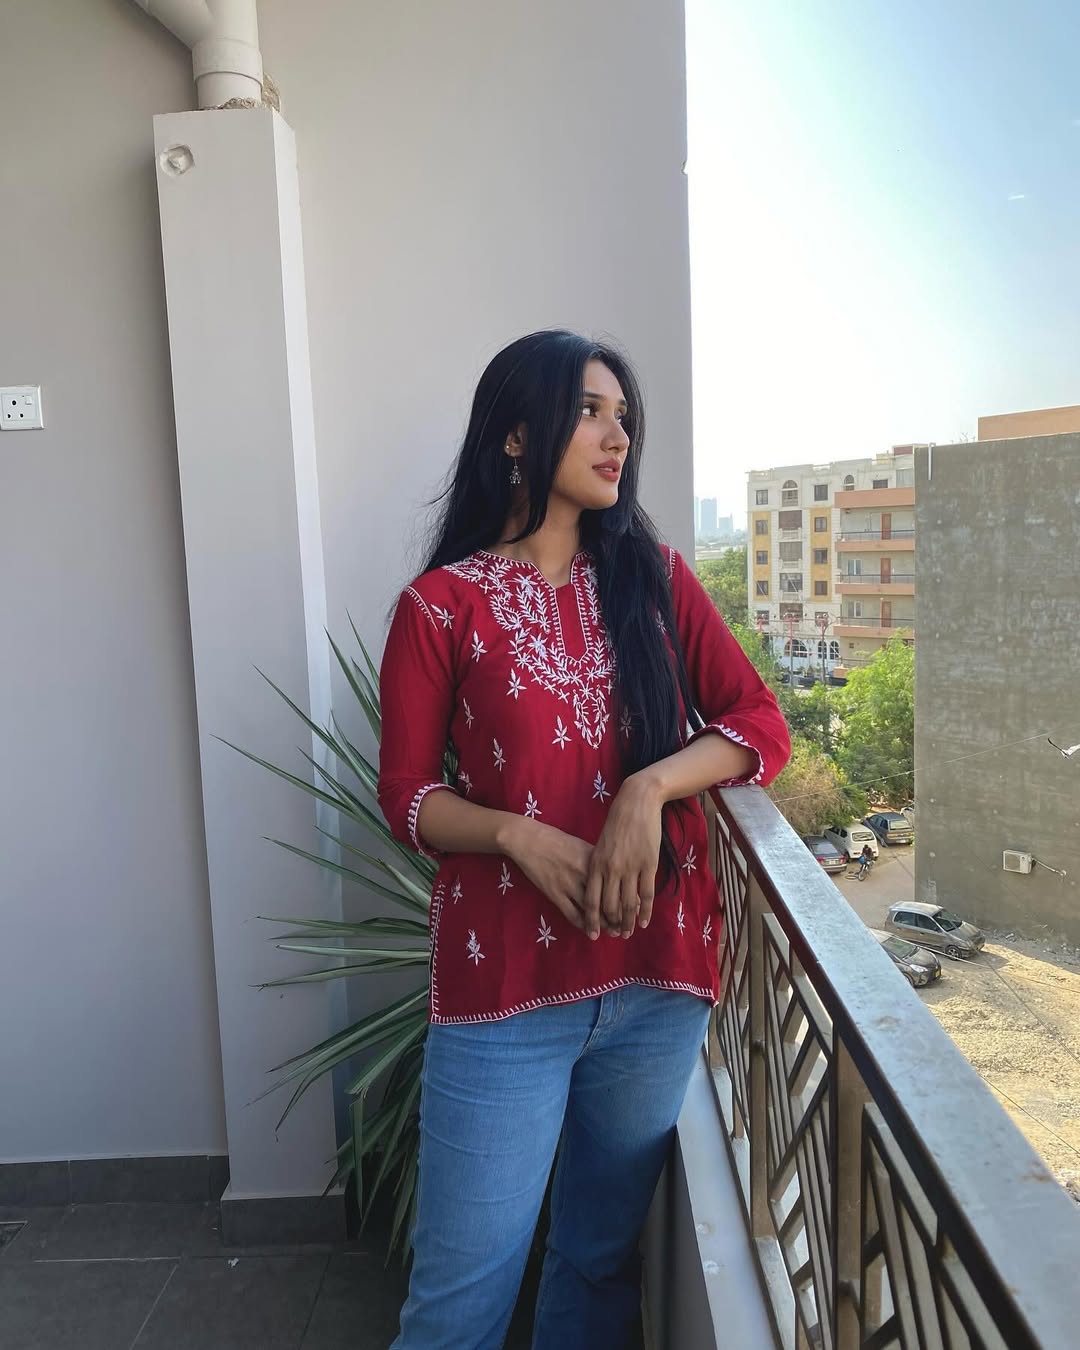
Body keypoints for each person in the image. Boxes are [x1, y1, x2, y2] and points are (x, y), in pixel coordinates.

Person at [377, 330, 791, 1350]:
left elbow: (758, 725)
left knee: (598, 1267)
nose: (618, 437)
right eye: (590, 412)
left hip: (656, 980)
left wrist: (650, 787)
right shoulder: (441, 607)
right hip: (505, 989)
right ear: (517, 435)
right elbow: (409, 798)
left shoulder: (656, 581)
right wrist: (517, 835)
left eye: (625, 419)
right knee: (458, 1306)